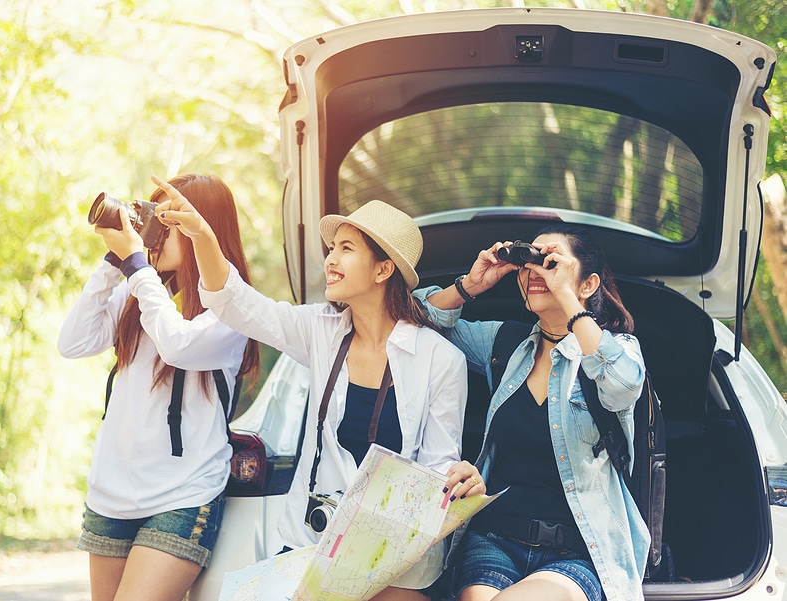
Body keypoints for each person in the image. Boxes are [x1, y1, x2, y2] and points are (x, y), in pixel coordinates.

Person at [150, 173, 482, 601]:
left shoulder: (442, 360)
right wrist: (201, 235)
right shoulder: (319, 330)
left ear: (384, 269)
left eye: (346, 249)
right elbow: (237, 302)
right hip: (311, 542)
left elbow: (437, 471)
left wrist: (459, 482)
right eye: (331, 249)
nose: (330, 260)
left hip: (396, 559)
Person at [414, 224, 649, 601]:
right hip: (495, 540)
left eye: (550, 260)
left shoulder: (616, 350)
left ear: (587, 285)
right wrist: (470, 285)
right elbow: (414, 321)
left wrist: (568, 300)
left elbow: (622, 384)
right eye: (529, 261)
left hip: (578, 552)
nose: (535, 270)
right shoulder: (504, 344)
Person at [57, 174, 260, 601]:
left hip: (181, 497)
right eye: (154, 219)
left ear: (203, 228)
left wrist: (137, 266)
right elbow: (72, 342)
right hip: (111, 494)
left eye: (168, 221)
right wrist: (115, 262)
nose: (157, 232)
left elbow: (177, 345)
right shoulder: (144, 295)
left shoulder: (231, 303)